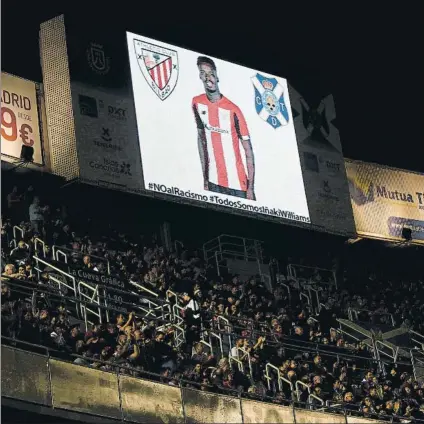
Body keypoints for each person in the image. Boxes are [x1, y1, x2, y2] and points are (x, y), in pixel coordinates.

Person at [192, 56, 256, 200]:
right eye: (204, 73)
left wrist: (250, 188)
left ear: (217, 76)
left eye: (211, 73)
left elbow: (248, 152)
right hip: (214, 183)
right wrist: (205, 180)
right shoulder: (197, 102)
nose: (208, 77)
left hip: (238, 187)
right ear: (200, 76)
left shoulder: (234, 110)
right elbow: (201, 141)